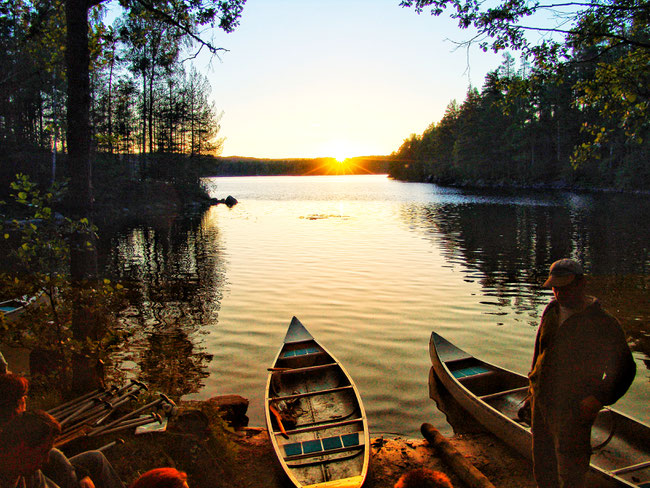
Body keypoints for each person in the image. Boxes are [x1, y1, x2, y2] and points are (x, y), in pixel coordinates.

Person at [527, 258, 636, 488]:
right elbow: (539, 353)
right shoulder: (551, 311)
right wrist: (531, 391)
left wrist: (598, 399)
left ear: (581, 283)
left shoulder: (602, 323)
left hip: (574, 410)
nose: (559, 293)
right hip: (542, 403)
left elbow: (625, 370)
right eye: (555, 287)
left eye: (565, 287)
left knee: (572, 472)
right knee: (543, 466)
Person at [0, 410, 124, 488]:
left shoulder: (28, 471)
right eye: (43, 452)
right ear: (22, 448)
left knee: (96, 457)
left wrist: (80, 474)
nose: (46, 460)